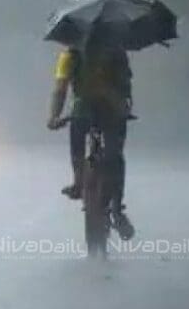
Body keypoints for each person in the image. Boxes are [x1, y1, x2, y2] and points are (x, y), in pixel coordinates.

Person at [46, 32, 135, 240]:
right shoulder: (117, 52)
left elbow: (60, 89)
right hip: (110, 111)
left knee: (79, 137)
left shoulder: (71, 55)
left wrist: (54, 117)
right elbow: (126, 89)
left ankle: (79, 182)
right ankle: (117, 210)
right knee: (115, 154)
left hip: (87, 111)